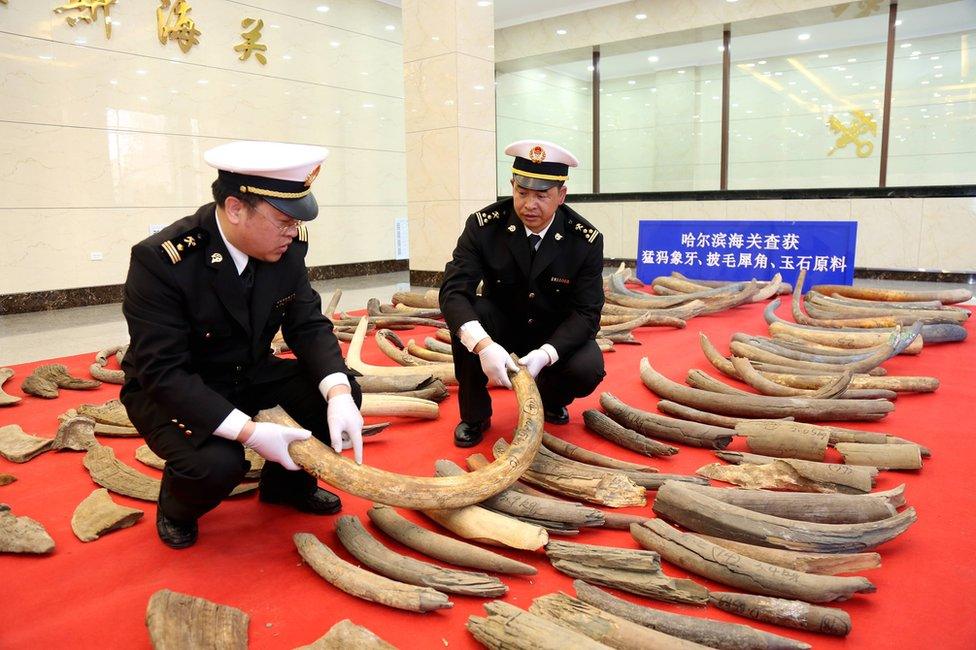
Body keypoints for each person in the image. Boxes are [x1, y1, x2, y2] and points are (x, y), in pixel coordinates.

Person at [120, 140, 364, 549]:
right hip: (175, 386)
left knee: (339, 391)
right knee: (215, 465)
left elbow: (306, 323)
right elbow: (164, 372)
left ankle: (286, 487)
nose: (293, 232)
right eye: (283, 221)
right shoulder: (162, 261)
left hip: (248, 370)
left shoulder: (286, 247)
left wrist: (338, 391)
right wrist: (249, 433)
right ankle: (177, 507)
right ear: (235, 208)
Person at [439, 139, 606, 448]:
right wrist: (483, 345)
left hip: (551, 334)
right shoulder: (484, 227)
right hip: (500, 326)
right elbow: (453, 292)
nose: (529, 204)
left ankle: (551, 397)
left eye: (542, 195)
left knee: (588, 366)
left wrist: (546, 354)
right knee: (467, 321)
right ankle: (475, 415)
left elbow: (586, 313)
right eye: (522, 192)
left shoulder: (585, 240)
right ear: (512, 185)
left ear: (561, 195)